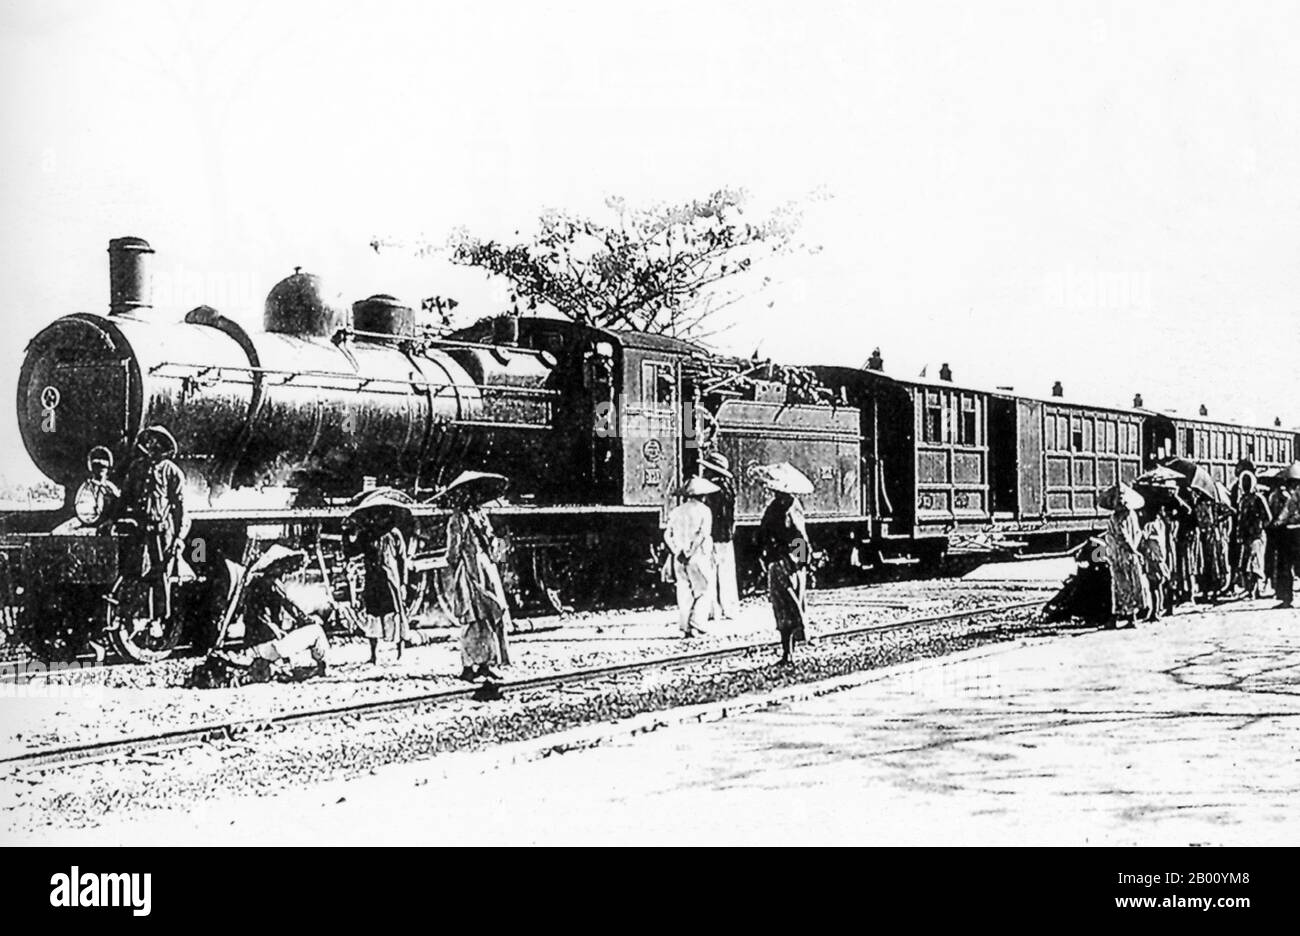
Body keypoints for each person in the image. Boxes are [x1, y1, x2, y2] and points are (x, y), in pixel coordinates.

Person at [116, 425, 189, 619]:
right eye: (150, 442)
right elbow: (125, 498)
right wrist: (112, 520)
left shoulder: (172, 472)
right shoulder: (136, 468)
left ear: (164, 448)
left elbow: (181, 510)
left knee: (160, 575)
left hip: (161, 532)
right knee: (135, 573)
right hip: (139, 530)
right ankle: (131, 615)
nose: (152, 446)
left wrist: (179, 539)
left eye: (157, 443)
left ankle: (159, 619)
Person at [446, 489, 513, 681]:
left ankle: (479, 664)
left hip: (476, 569)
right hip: (478, 569)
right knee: (478, 617)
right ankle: (473, 665)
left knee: (480, 616)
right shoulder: (470, 517)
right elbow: (488, 544)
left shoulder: (467, 517)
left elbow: (453, 552)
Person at [345, 510, 409, 665]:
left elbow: (402, 560)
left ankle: (400, 651)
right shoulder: (367, 534)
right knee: (373, 615)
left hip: (390, 580)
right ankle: (373, 655)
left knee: (395, 613)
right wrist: (350, 535)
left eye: (382, 516)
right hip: (373, 580)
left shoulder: (394, 534)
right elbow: (353, 552)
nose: (379, 518)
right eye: (376, 516)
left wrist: (403, 583)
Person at [758, 479, 811, 663]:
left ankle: (789, 652)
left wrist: (799, 561)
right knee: (786, 605)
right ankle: (788, 652)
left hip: (784, 562)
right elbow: (800, 536)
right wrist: (803, 561)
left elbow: (797, 536)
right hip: (786, 561)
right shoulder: (788, 505)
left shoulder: (780, 507)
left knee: (784, 606)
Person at [664, 476, 717, 638]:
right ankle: (698, 625)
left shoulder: (676, 511)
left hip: (678, 557)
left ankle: (685, 627)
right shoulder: (704, 511)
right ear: (703, 495)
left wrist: (677, 551)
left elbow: (667, 535)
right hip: (697, 556)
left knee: (684, 591)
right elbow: (702, 534)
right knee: (704, 589)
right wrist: (690, 551)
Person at [1103, 484, 1149, 628]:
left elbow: (1123, 537)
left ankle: (1124, 617)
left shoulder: (1117, 517)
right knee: (1131, 585)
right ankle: (1127, 617)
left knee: (1121, 586)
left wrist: (1133, 550)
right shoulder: (1132, 515)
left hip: (1121, 555)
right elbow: (1137, 534)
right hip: (1127, 555)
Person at [702, 453, 739, 622]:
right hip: (726, 536)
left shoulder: (709, 491)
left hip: (711, 536)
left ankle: (712, 610)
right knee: (727, 575)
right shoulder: (729, 489)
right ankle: (730, 609)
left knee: (710, 574)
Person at [1234, 471, 1272, 599]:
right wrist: (1239, 533)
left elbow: (1268, 516)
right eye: (1244, 482)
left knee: (1254, 561)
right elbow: (1240, 518)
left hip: (1257, 535)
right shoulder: (1243, 499)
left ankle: (1254, 589)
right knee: (1245, 563)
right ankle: (1250, 589)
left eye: (1248, 482)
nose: (1245, 485)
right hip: (1246, 536)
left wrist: (1261, 527)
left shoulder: (1259, 498)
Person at [1272, 465, 1300, 609]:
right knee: (1285, 566)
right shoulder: (1296, 494)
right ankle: (1286, 598)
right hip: (1291, 533)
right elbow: (1288, 509)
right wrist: (1279, 521)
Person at [1138, 505, 1171, 620]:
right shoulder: (1161, 523)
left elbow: (1142, 538)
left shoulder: (1149, 525)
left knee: (1154, 587)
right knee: (1160, 585)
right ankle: (1159, 609)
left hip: (1153, 559)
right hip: (1160, 558)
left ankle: (1155, 612)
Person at [1194, 491, 1229, 601]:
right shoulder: (1197, 504)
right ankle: (1205, 592)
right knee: (1203, 564)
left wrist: (1217, 520)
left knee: (1214, 563)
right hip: (1202, 536)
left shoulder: (1214, 505)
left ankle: (1214, 592)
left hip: (1212, 536)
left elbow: (1230, 511)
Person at [1171, 494, 1200, 605]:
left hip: (1186, 537)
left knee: (1187, 566)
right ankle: (1184, 591)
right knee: (1182, 566)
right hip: (1181, 537)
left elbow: (1187, 511)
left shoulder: (1185, 505)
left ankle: (1189, 592)